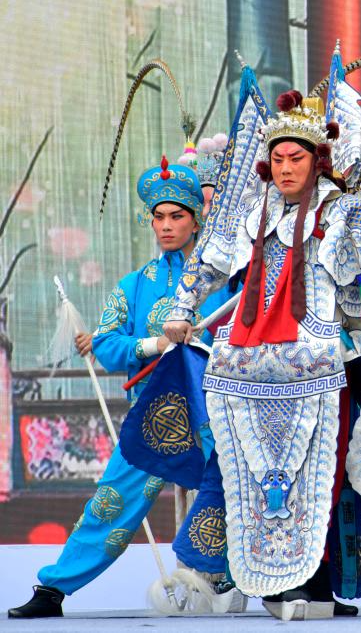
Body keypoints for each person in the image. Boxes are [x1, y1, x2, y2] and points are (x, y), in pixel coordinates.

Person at [163, 88, 361, 621]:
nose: (286, 168)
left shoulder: (347, 211)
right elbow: (208, 263)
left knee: (320, 477)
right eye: (279, 159)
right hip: (246, 364)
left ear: (318, 160)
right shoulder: (251, 210)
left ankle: (311, 583)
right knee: (255, 476)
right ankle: (261, 578)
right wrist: (181, 307)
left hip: (319, 362)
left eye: (296, 158)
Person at [8, 155, 231, 618]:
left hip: (217, 413)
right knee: (111, 502)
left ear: (196, 220)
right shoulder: (133, 285)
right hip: (156, 415)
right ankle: (54, 588)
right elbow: (107, 344)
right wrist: (154, 344)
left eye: (177, 216)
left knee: (234, 490)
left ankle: (245, 579)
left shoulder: (224, 283)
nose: (166, 225)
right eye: (159, 216)